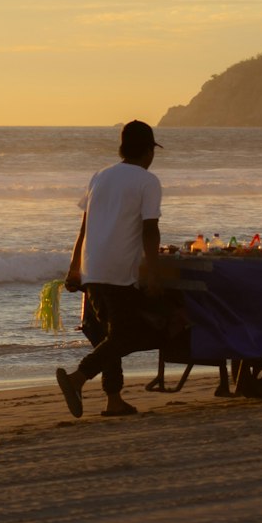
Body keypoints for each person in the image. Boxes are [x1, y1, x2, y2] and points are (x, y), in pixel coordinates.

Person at [56, 120, 163, 418]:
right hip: (118, 271)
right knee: (126, 335)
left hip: (93, 268)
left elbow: (84, 227)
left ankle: (114, 401)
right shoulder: (147, 181)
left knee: (109, 334)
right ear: (147, 151)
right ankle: (77, 379)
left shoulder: (100, 176)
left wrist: (75, 267)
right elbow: (150, 230)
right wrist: (153, 272)